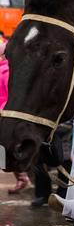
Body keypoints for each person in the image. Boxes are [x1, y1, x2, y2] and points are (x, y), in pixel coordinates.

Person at [0, 43, 31, 194]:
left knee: (5, 150)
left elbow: (9, 96)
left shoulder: (6, 71)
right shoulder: (5, 70)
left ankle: (23, 176)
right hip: (4, 114)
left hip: (4, 115)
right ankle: (22, 176)